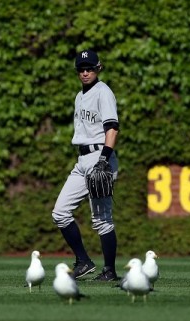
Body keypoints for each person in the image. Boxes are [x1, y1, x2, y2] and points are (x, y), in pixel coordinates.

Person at [52, 49, 120, 281]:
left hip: (99, 156)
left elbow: (112, 128)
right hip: (82, 159)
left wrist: (104, 160)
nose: (85, 72)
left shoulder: (103, 92)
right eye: (81, 69)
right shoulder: (80, 95)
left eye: (89, 68)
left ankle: (110, 271)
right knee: (60, 212)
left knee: (101, 220)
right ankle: (84, 261)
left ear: (98, 68)